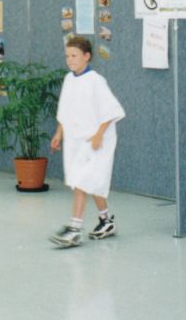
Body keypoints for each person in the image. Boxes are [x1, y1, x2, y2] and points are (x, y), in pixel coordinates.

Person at [48, 36, 125, 247]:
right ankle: (106, 220)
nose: (70, 60)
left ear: (87, 57)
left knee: (81, 182)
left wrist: (99, 134)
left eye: (74, 56)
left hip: (96, 140)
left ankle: (74, 229)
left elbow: (112, 111)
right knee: (88, 182)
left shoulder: (96, 81)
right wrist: (59, 133)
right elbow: (65, 111)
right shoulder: (68, 80)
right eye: (67, 56)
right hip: (76, 140)